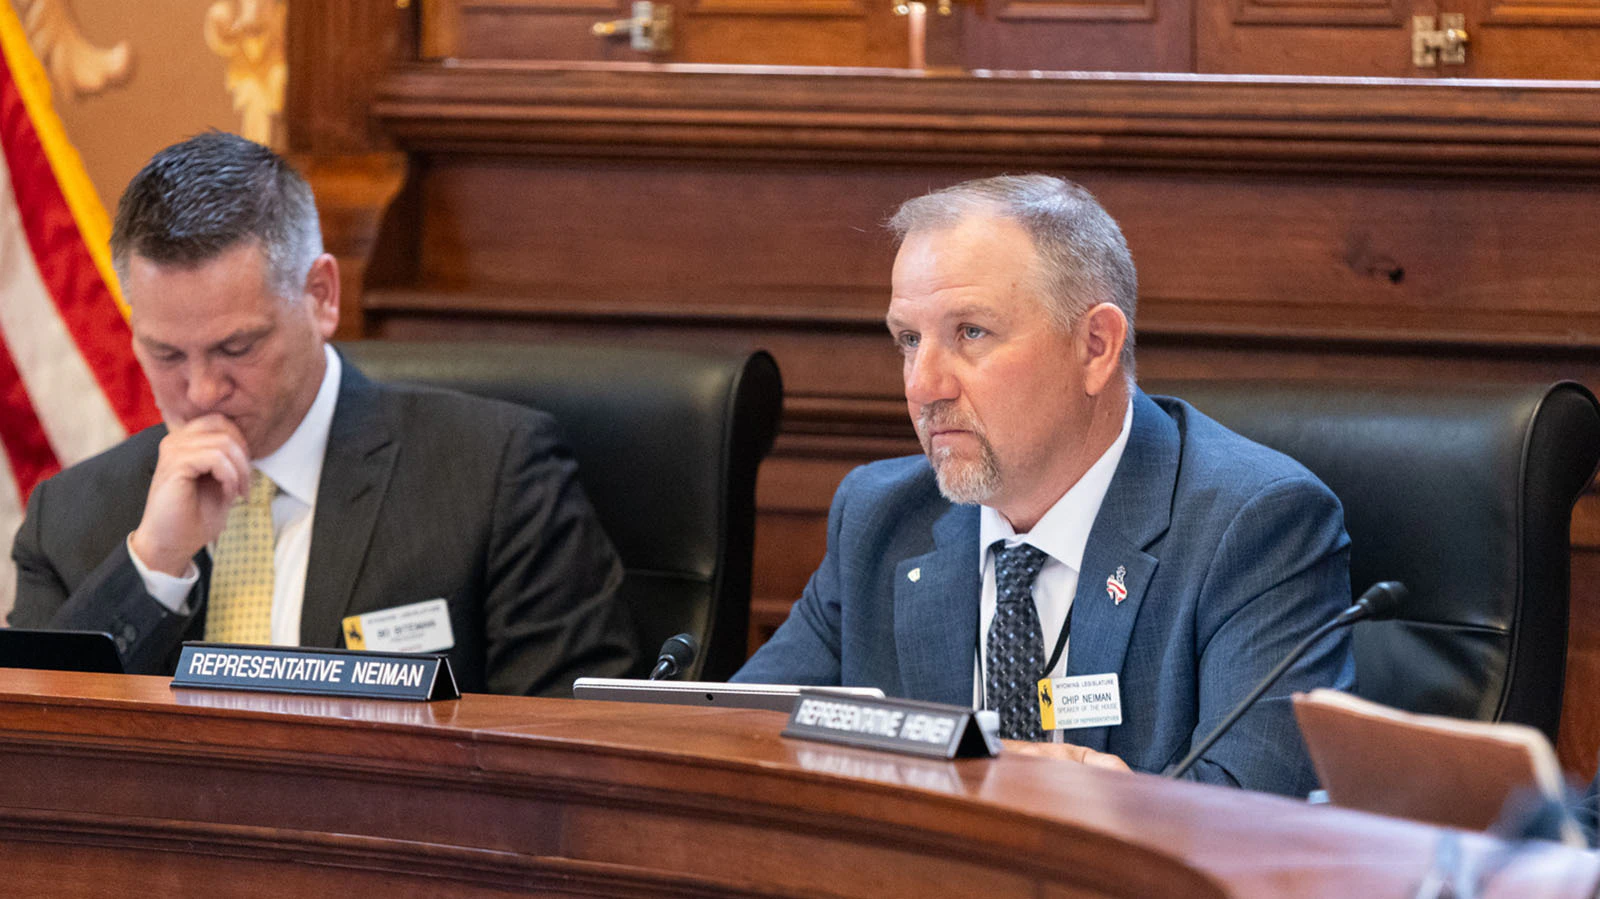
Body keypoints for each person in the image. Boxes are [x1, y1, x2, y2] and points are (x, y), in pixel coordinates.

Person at [733, 175, 1353, 796]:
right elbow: (732, 739)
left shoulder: (1254, 525)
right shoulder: (879, 518)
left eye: (970, 333)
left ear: (1095, 346)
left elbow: (1259, 817)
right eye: (909, 339)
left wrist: (1095, 809)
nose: (923, 385)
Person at [8, 132, 637, 695]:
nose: (200, 391)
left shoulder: (492, 477)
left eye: (237, 347)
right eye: (166, 353)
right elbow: (31, 758)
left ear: (321, 297)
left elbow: (571, 750)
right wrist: (152, 569)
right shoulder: (70, 518)